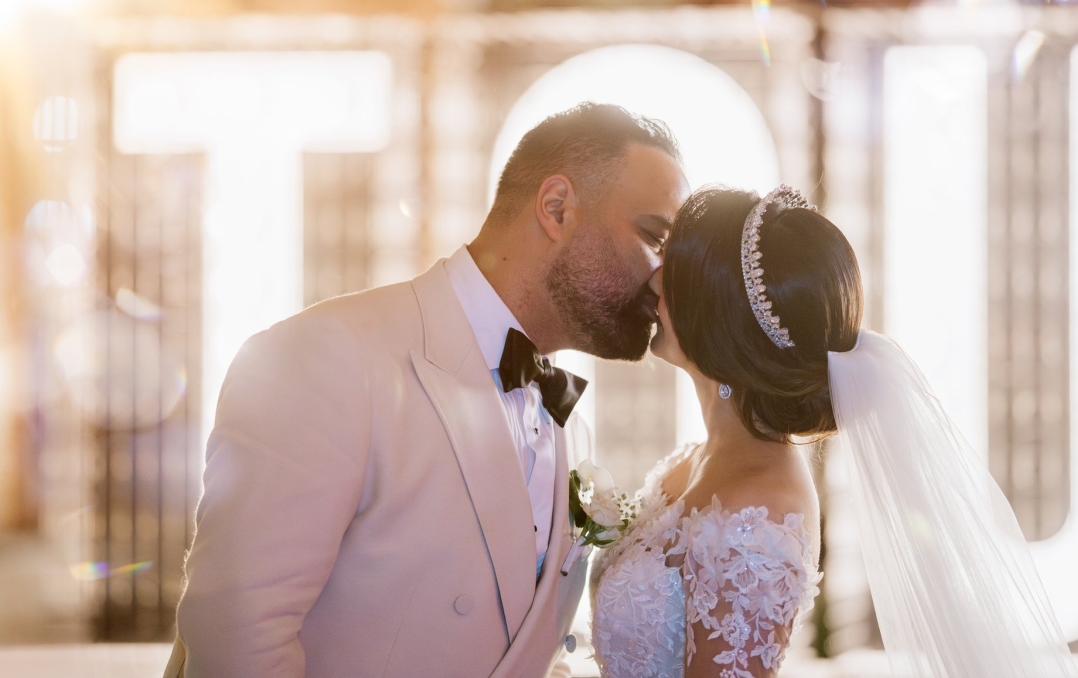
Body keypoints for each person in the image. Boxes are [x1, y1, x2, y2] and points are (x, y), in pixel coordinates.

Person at [164, 102, 691, 678]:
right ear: (556, 208)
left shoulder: (569, 425)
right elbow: (237, 640)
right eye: (654, 237)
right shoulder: (329, 357)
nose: (664, 277)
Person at [590, 185, 1078, 678]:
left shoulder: (759, 511)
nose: (654, 282)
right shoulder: (691, 460)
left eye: (675, 273)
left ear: (719, 321)